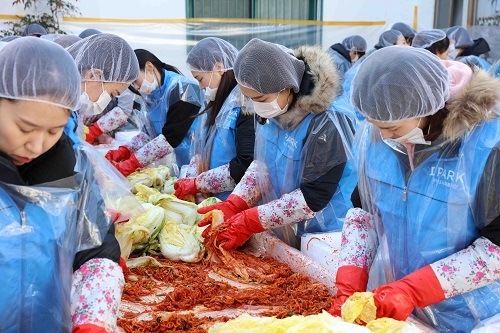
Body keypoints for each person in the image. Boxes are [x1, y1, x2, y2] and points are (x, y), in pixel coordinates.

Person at [330, 46, 500, 332]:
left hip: (471, 316)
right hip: (403, 312)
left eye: (393, 128)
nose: (384, 136)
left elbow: (496, 248)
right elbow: (365, 212)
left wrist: (413, 290)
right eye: (376, 126)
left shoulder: (485, 146)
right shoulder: (380, 137)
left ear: (427, 107)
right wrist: (350, 279)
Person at [0, 37, 123, 332]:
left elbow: (95, 252)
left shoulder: (73, 170)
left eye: (54, 130)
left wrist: (94, 318)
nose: (36, 144)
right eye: (24, 128)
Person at [198, 38, 357, 249]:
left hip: (327, 235)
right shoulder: (275, 110)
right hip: (286, 225)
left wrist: (251, 220)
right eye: (251, 99)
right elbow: (263, 166)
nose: (257, 107)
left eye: (261, 99)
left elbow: (315, 195)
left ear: (287, 86)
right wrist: (235, 203)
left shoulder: (328, 120)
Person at [173, 37, 255, 202]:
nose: (201, 87)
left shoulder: (245, 104)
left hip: (236, 202)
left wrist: (199, 183)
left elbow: (245, 163)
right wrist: (190, 177)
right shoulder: (215, 104)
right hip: (212, 199)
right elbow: (201, 149)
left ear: (219, 67)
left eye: (200, 79)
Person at [105, 49, 204, 176]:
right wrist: (125, 150)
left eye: (135, 81)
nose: (135, 87)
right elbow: (149, 133)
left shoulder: (187, 88)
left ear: (149, 67)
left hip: (196, 165)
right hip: (176, 166)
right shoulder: (153, 96)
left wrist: (133, 162)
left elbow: (171, 138)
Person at [66, 33, 140, 148]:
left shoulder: (69, 107)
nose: (108, 100)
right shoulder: (55, 106)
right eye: (112, 94)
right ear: (93, 75)